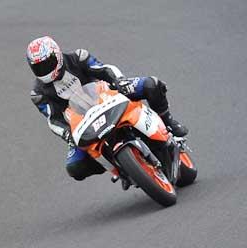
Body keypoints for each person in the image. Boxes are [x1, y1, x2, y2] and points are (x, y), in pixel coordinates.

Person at [26, 36, 188, 182]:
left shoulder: (78, 57)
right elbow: (53, 120)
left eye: (47, 64)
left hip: (108, 97)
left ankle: (168, 122)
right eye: (39, 67)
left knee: (151, 84)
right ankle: (121, 168)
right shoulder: (38, 94)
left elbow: (105, 69)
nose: (45, 70)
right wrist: (67, 134)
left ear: (58, 55)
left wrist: (120, 81)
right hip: (81, 123)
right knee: (74, 168)